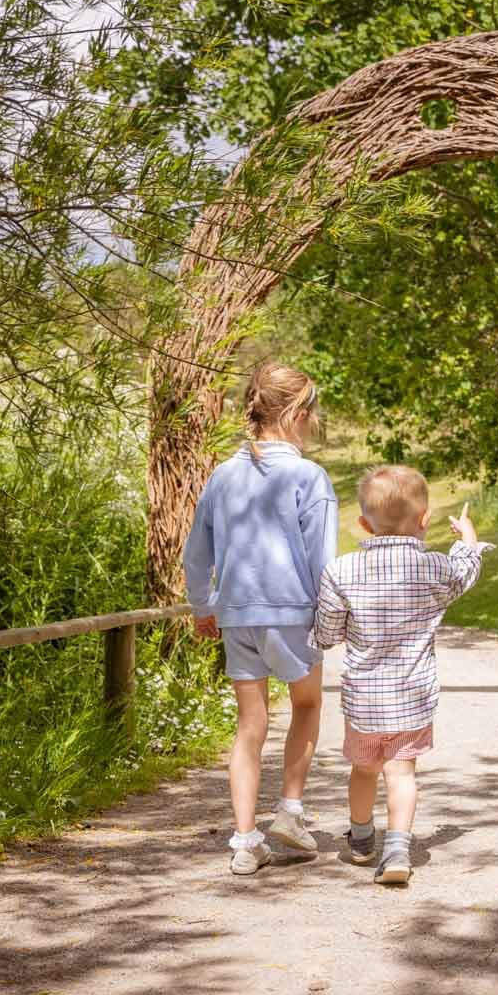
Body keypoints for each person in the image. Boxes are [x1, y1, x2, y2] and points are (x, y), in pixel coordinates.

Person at [183, 362, 338, 875]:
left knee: (249, 726)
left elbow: (196, 553)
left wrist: (205, 606)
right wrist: (332, 616)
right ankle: (290, 812)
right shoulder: (307, 476)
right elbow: (323, 560)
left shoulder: (223, 475)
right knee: (308, 705)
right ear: (297, 413)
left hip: (237, 615)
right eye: (312, 412)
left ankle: (245, 843)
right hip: (291, 612)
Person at [310, 465, 493, 885]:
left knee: (363, 770)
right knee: (402, 774)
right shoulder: (433, 568)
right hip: (412, 698)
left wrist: (320, 635)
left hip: (364, 702)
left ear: (362, 523)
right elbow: (464, 573)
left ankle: (360, 840)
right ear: (425, 519)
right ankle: (397, 850)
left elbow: (327, 633)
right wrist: (468, 539)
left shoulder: (342, 572)